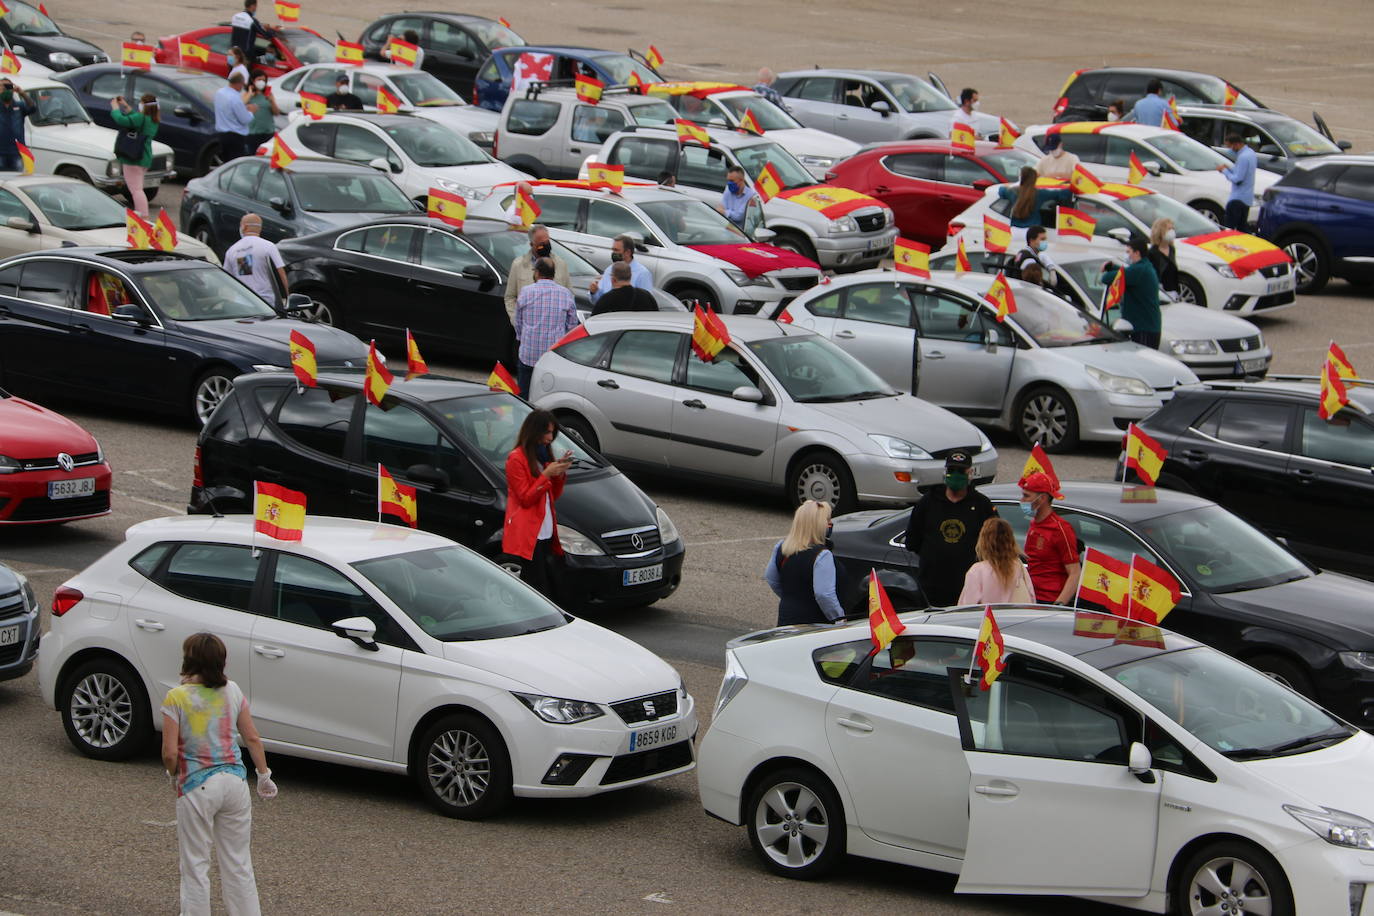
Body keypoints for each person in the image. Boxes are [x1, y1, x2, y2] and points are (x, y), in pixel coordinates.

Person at [161, 632, 276, 916]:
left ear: (189, 660)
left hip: (197, 785)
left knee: (196, 866)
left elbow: (170, 753)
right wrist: (263, 775)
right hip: (235, 783)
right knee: (238, 863)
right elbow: (252, 738)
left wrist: (174, 775)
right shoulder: (233, 691)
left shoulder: (176, 697)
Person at [903, 451, 999, 607]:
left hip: (969, 587)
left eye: (961, 471)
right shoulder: (928, 503)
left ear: (970, 473)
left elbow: (995, 542)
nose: (956, 475)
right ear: (945, 472)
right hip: (932, 587)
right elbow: (913, 540)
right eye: (951, 471)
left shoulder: (982, 505)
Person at [503, 408, 572, 599]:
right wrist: (546, 475)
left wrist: (559, 474)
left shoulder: (543, 456)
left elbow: (553, 495)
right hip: (529, 532)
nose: (550, 438)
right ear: (535, 431)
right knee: (537, 585)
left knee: (550, 582)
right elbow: (525, 498)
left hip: (545, 530)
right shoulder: (516, 458)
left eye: (553, 433)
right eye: (547, 432)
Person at [764, 500, 845, 625]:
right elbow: (824, 595)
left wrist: (791, 597)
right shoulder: (822, 555)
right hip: (812, 624)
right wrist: (839, 618)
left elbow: (771, 579)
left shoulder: (781, 547)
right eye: (827, 520)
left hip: (786, 618)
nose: (830, 523)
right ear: (817, 524)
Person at [514, 257, 580, 394]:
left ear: (537, 272)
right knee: (548, 397)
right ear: (553, 273)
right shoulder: (565, 294)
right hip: (552, 359)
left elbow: (518, 322)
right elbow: (572, 326)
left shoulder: (526, 292)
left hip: (528, 355)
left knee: (523, 396)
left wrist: (522, 338)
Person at [1019, 471, 1080, 605]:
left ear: (1042, 499)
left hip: (1048, 602)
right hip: (1031, 597)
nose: (1021, 501)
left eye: (1026, 496)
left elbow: (1075, 573)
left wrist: (1058, 605)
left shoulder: (1060, 529)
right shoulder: (1034, 523)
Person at [505, 223, 571, 330]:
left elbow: (569, 296)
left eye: (547, 241)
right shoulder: (519, 265)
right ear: (532, 244)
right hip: (528, 329)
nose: (545, 245)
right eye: (541, 243)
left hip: (553, 329)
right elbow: (510, 297)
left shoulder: (561, 264)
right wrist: (516, 321)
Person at [1101, 237, 1161, 348]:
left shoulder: (1138, 271)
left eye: (1128, 252)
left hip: (1143, 330)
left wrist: (1109, 269)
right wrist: (1113, 266)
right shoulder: (1144, 267)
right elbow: (1126, 272)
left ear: (1137, 253)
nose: (1127, 255)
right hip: (1147, 328)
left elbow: (1106, 278)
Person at [958, 518, 1035, 605]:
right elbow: (1031, 599)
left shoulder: (977, 571)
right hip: (1016, 617)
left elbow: (967, 608)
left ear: (983, 541)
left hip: (988, 618)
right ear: (1011, 540)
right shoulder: (1019, 567)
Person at [110, 94, 159, 218]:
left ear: (144, 105)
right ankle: (142, 215)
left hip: (134, 158)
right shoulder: (152, 119)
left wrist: (115, 108)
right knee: (138, 187)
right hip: (144, 157)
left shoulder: (141, 117)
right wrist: (126, 106)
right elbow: (135, 119)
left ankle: (143, 216)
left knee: (136, 190)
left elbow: (122, 120)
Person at [223, 213, 287, 304]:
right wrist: (288, 298)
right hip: (267, 303)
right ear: (260, 228)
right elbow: (281, 274)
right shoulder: (269, 246)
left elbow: (227, 278)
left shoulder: (233, 250)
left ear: (244, 227)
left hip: (242, 303)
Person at [999, 166, 1072, 233]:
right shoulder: (1040, 193)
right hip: (1033, 231)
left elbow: (1001, 191)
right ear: (1034, 179)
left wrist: (1008, 186)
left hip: (1015, 230)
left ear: (1021, 177)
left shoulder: (1011, 191)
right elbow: (1063, 194)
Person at [589, 234, 652, 303]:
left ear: (628, 252)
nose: (613, 253)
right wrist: (593, 292)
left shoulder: (642, 273)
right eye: (613, 250)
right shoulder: (609, 270)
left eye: (616, 250)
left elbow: (646, 301)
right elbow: (598, 300)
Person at [1217, 132, 1257, 231]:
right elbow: (1242, 171)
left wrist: (1224, 171)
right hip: (1247, 199)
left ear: (1236, 144)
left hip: (1237, 199)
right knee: (1241, 229)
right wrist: (1230, 168)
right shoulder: (1250, 153)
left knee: (1229, 229)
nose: (1230, 150)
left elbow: (1238, 179)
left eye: (1230, 146)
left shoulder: (1243, 157)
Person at [213, 72, 256, 162]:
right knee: (235, 164)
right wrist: (251, 111)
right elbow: (245, 119)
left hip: (222, 134)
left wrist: (243, 108)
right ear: (239, 83)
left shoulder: (219, 93)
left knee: (226, 162)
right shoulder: (235, 98)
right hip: (235, 137)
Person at [591, 261, 657, 315]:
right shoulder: (646, 296)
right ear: (630, 277)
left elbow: (594, 322)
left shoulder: (607, 299)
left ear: (613, 279)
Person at [0, 79, 34, 172]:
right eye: (2, 86)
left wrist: (22, 93)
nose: (5, 89)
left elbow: (32, 108)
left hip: (17, 152)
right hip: (1, 152)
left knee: (15, 180)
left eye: (8, 87)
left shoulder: (20, 106)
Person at [245, 70, 280, 153]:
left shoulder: (268, 94)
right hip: (253, 133)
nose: (261, 82)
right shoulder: (248, 95)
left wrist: (272, 101)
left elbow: (276, 113)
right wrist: (250, 93)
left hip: (268, 132)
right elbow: (241, 104)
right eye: (259, 80)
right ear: (253, 81)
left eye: (264, 80)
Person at [1147, 217, 1180, 300]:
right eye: (1169, 229)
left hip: (1172, 291)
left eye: (1173, 228)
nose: (1172, 231)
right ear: (1160, 231)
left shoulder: (1172, 249)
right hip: (1161, 293)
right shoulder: (1152, 252)